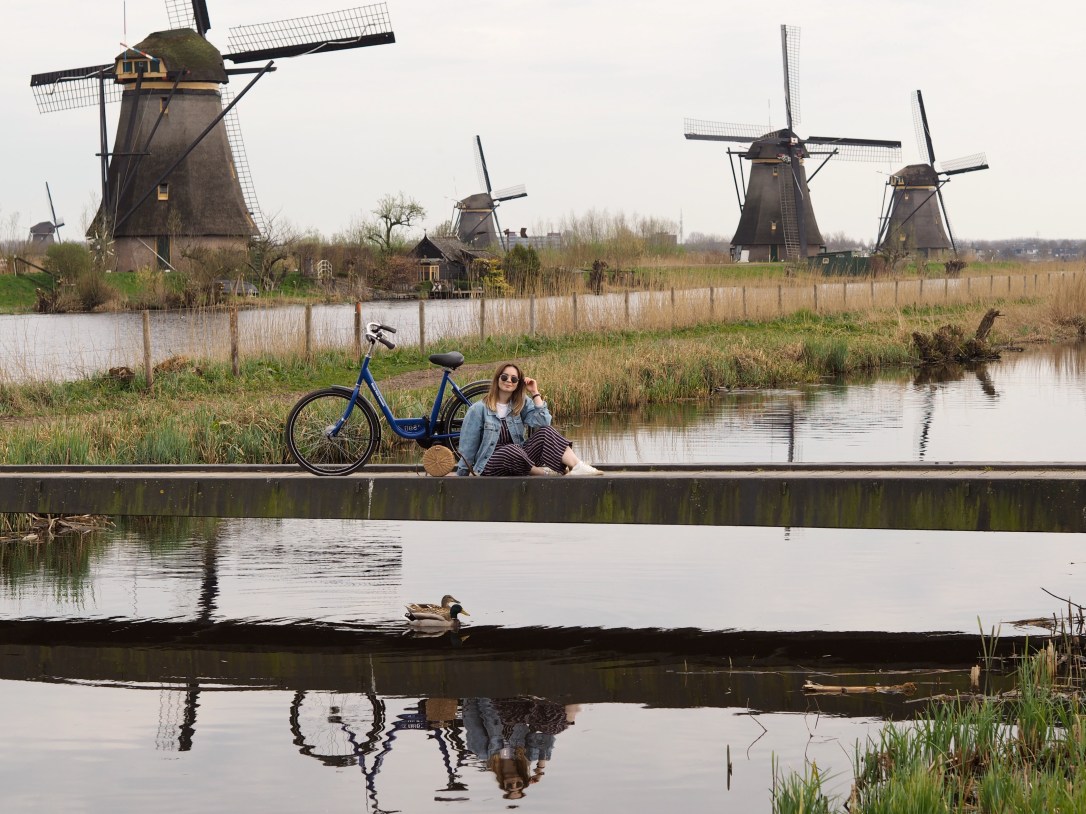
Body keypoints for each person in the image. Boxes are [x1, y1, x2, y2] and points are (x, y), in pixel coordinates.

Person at [456, 362, 603, 477]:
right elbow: (467, 447)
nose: (509, 381)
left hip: (520, 459)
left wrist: (534, 392)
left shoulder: (521, 403)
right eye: (504, 377)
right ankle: (544, 473)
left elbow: (544, 422)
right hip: (490, 464)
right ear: (497, 379)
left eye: (514, 379)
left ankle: (577, 466)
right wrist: (462, 476)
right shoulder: (478, 409)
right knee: (511, 449)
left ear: (518, 383)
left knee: (545, 432)